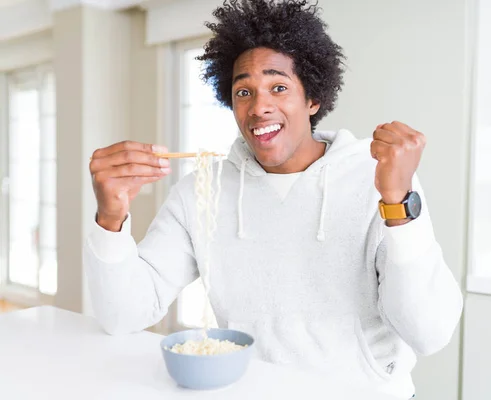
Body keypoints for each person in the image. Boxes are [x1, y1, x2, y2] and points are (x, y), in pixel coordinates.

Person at [84, 0, 463, 398]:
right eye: (243, 91)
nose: (259, 107)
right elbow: (123, 314)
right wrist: (110, 218)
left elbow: (430, 332)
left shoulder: (382, 181)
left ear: (312, 99)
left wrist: (398, 201)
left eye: (278, 87)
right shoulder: (202, 191)